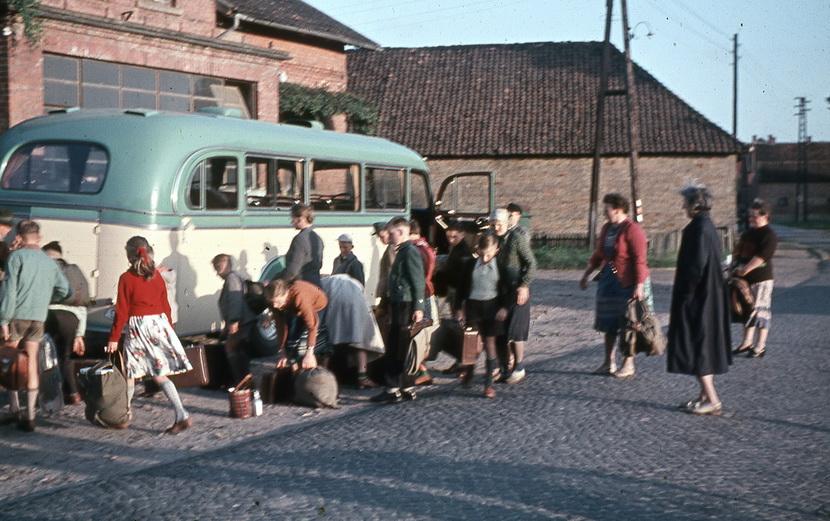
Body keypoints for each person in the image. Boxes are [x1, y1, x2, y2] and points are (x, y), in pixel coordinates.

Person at [106, 236, 193, 434]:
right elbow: (166, 305)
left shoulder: (126, 278)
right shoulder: (156, 276)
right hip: (158, 325)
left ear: (128, 255)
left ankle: (125, 416)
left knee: (130, 371)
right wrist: (169, 329)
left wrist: (114, 337)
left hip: (138, 327)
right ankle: (181, 414)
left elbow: (121, 311)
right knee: (157, 372)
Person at [667, 183, 731, 415]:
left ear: (694, 205)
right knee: (704, 343)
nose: (682, 206)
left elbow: (696, 265)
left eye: (685, 202)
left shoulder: (699, 228)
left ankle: (712, 399)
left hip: (699, 297)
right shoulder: (707, 225)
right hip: (709, 294)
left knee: (698, 344)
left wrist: (686, 292)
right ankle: (703, 395)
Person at [0, 220, 71, 432]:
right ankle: (30, 416)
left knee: (8, 359)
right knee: (31, 363)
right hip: (38, 317)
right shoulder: (50, 261)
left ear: (18, 236)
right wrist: (47, 298)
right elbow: (65, 290)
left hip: (16, 316)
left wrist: (3, 320)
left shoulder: (16, 257)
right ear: (38, 237)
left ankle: (14, 408)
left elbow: (9, 292)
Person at [579, 193, 651, 377]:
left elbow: (640, 260)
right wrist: (586, 275)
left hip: (628, 282)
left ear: (618, 210)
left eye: (607, 209)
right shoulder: (606, 229)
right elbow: (598, 254)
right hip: (608, 281)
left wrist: (639, 285)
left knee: (629, 323)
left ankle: (628, 363)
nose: (604, 212)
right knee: (608, 322)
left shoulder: (633, 229)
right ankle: (608, 362)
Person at [371, 217, 425, 404]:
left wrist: (419, 306)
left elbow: (418, 280)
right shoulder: (403, 251)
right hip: (400, 303)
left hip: (405, 305)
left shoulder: (408, 251)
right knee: (401, 347)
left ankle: (393, 389)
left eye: (392, 233)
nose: (390, 236)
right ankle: (406, 387)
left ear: (401, 232)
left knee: (397, 347)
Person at [454, 233, 511, 398]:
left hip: (492, 307)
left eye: (488, 254)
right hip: (473, 306)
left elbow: (509, 291)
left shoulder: (500, 267)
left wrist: (505, 308)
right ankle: (470, 372)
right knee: (472, 342)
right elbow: (462, 287)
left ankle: (488, 384)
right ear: (478, 250)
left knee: (490, 342)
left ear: (496, 251)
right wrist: (458, 308)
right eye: (482, 254)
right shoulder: (470, 265)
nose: (485, 258)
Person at [492, 206, 537, 384]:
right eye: (493, 224)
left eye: (499, 224)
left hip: (517, 290)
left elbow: (531, 263)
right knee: (500, 333)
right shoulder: (492, 240)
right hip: (499, 292)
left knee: (514, 331)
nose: (496, 227)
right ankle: (504, 367)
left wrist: (524, 286)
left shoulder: (516, 239)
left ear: (506, 223)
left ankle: (519, 366)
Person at [42, 241, 89, 405]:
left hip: (50, 315)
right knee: (66, 356)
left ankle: (49, 395)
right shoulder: (74, 271)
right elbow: (82, 305)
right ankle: (74, 393)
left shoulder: (46, 268)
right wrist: (79, 335)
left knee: (45, 355)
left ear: (47, 255)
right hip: (72, 318)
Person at [731, 198, 778, 359]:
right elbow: (738, 252)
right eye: (749, 216)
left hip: (761, 279)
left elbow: (762, 256)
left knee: (760, 312)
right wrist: (734, 268)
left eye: (754, 216)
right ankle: (746, 343)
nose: (750, 219)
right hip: (745, 280)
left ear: (765, 216)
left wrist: (745, 269)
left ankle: (760, 346)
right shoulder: (748, 233)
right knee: (747, 311)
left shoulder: (768, 235)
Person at [266, 278, 330, 371]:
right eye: (273, 302)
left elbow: (312, 326)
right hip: (294, 308)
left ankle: (318, 372)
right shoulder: (274, 302)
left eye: (277, 302)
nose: (275, 305)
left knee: (310, 344)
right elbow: (280, 326)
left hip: (317, 304)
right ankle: (296, 375)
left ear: (286, 293)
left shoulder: (299, 297)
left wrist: (309, 353)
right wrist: (282, 352)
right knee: (292, 342)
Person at [211, 254, 256, 385]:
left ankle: (239, 382)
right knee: (239, 349)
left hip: (241, 320)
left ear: (221, 266)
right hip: (243, 320)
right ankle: (245, 380)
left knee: (231, 348)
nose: (216, 273)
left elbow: (235, 301)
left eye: (216, 268)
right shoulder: (234, 278)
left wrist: (234, 321)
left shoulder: (231, 279)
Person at [409, 220, 437, 385]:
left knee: (417, 333)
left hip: (422, 294)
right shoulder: (426, 247)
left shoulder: (417, 250)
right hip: (428, 292)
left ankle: (422, 370)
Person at [276, 203, 324, 287]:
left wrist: (274, 281)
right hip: (316, 287)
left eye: (293, 218)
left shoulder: (299, 239)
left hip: (301, 288)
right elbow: (319, 265)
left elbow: (291, 271)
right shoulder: (318, 238)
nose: (292, 221)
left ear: (301, 218)